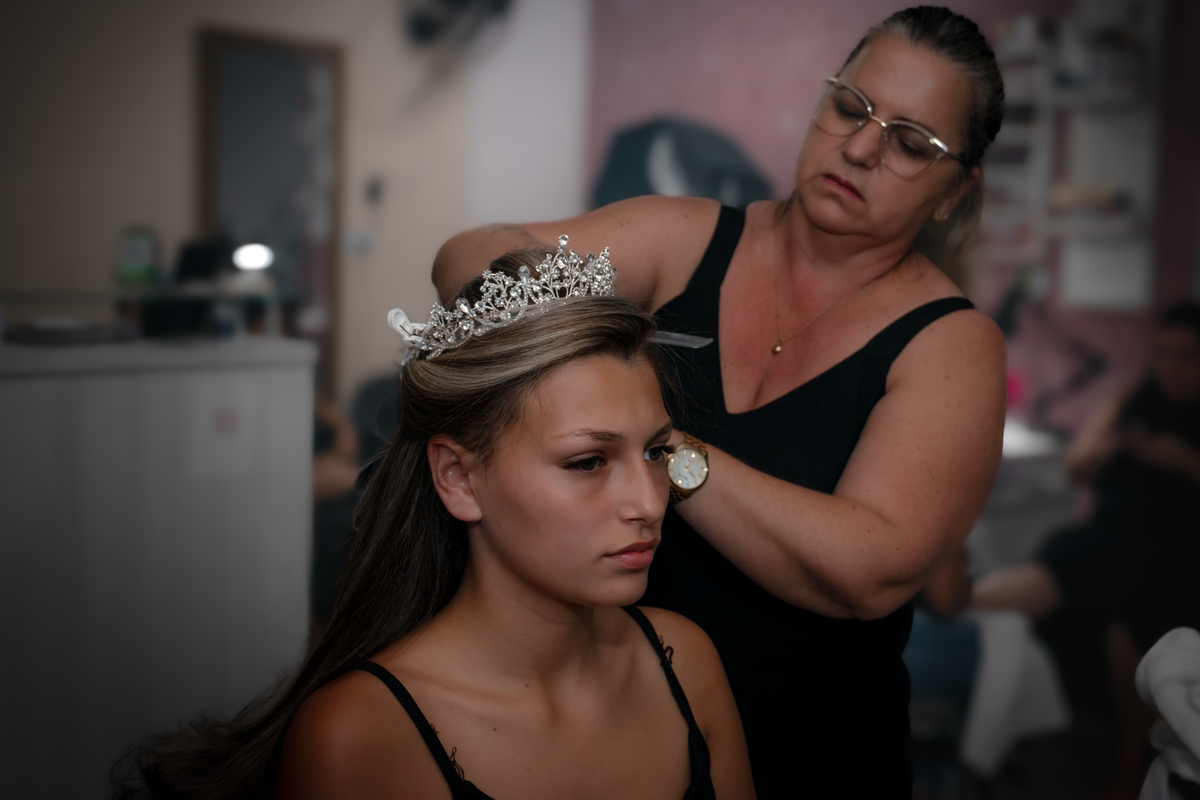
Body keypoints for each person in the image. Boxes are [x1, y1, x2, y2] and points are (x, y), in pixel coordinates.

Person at [433, 7, 1007, 795]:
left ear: (954, 192)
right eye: (850, 107)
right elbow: (470, 260)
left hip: (814, 758)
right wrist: (575, 336)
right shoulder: (683, 240)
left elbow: (867, 571)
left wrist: (654, 444)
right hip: (610, 739)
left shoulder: (953, 345)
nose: (860, 148)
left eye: (910, 144)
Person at [114, 245, 755, 800]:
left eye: (656, 453)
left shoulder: (685, 662)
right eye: (588, 462)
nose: (649, 502)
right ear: (459, 478)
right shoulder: (360, 735)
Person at [973, 302, 1200, 799]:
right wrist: (1102, 450)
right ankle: (1000, 715)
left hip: (1173, 552)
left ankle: (1125, 770)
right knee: (1004, 596)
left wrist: (1183, 461)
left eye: (1185, 356)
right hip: (1106, 539)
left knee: (1131, 616)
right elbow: (1075, 466)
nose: (1172, 367)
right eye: (1163, 354)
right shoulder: (1131, 399)